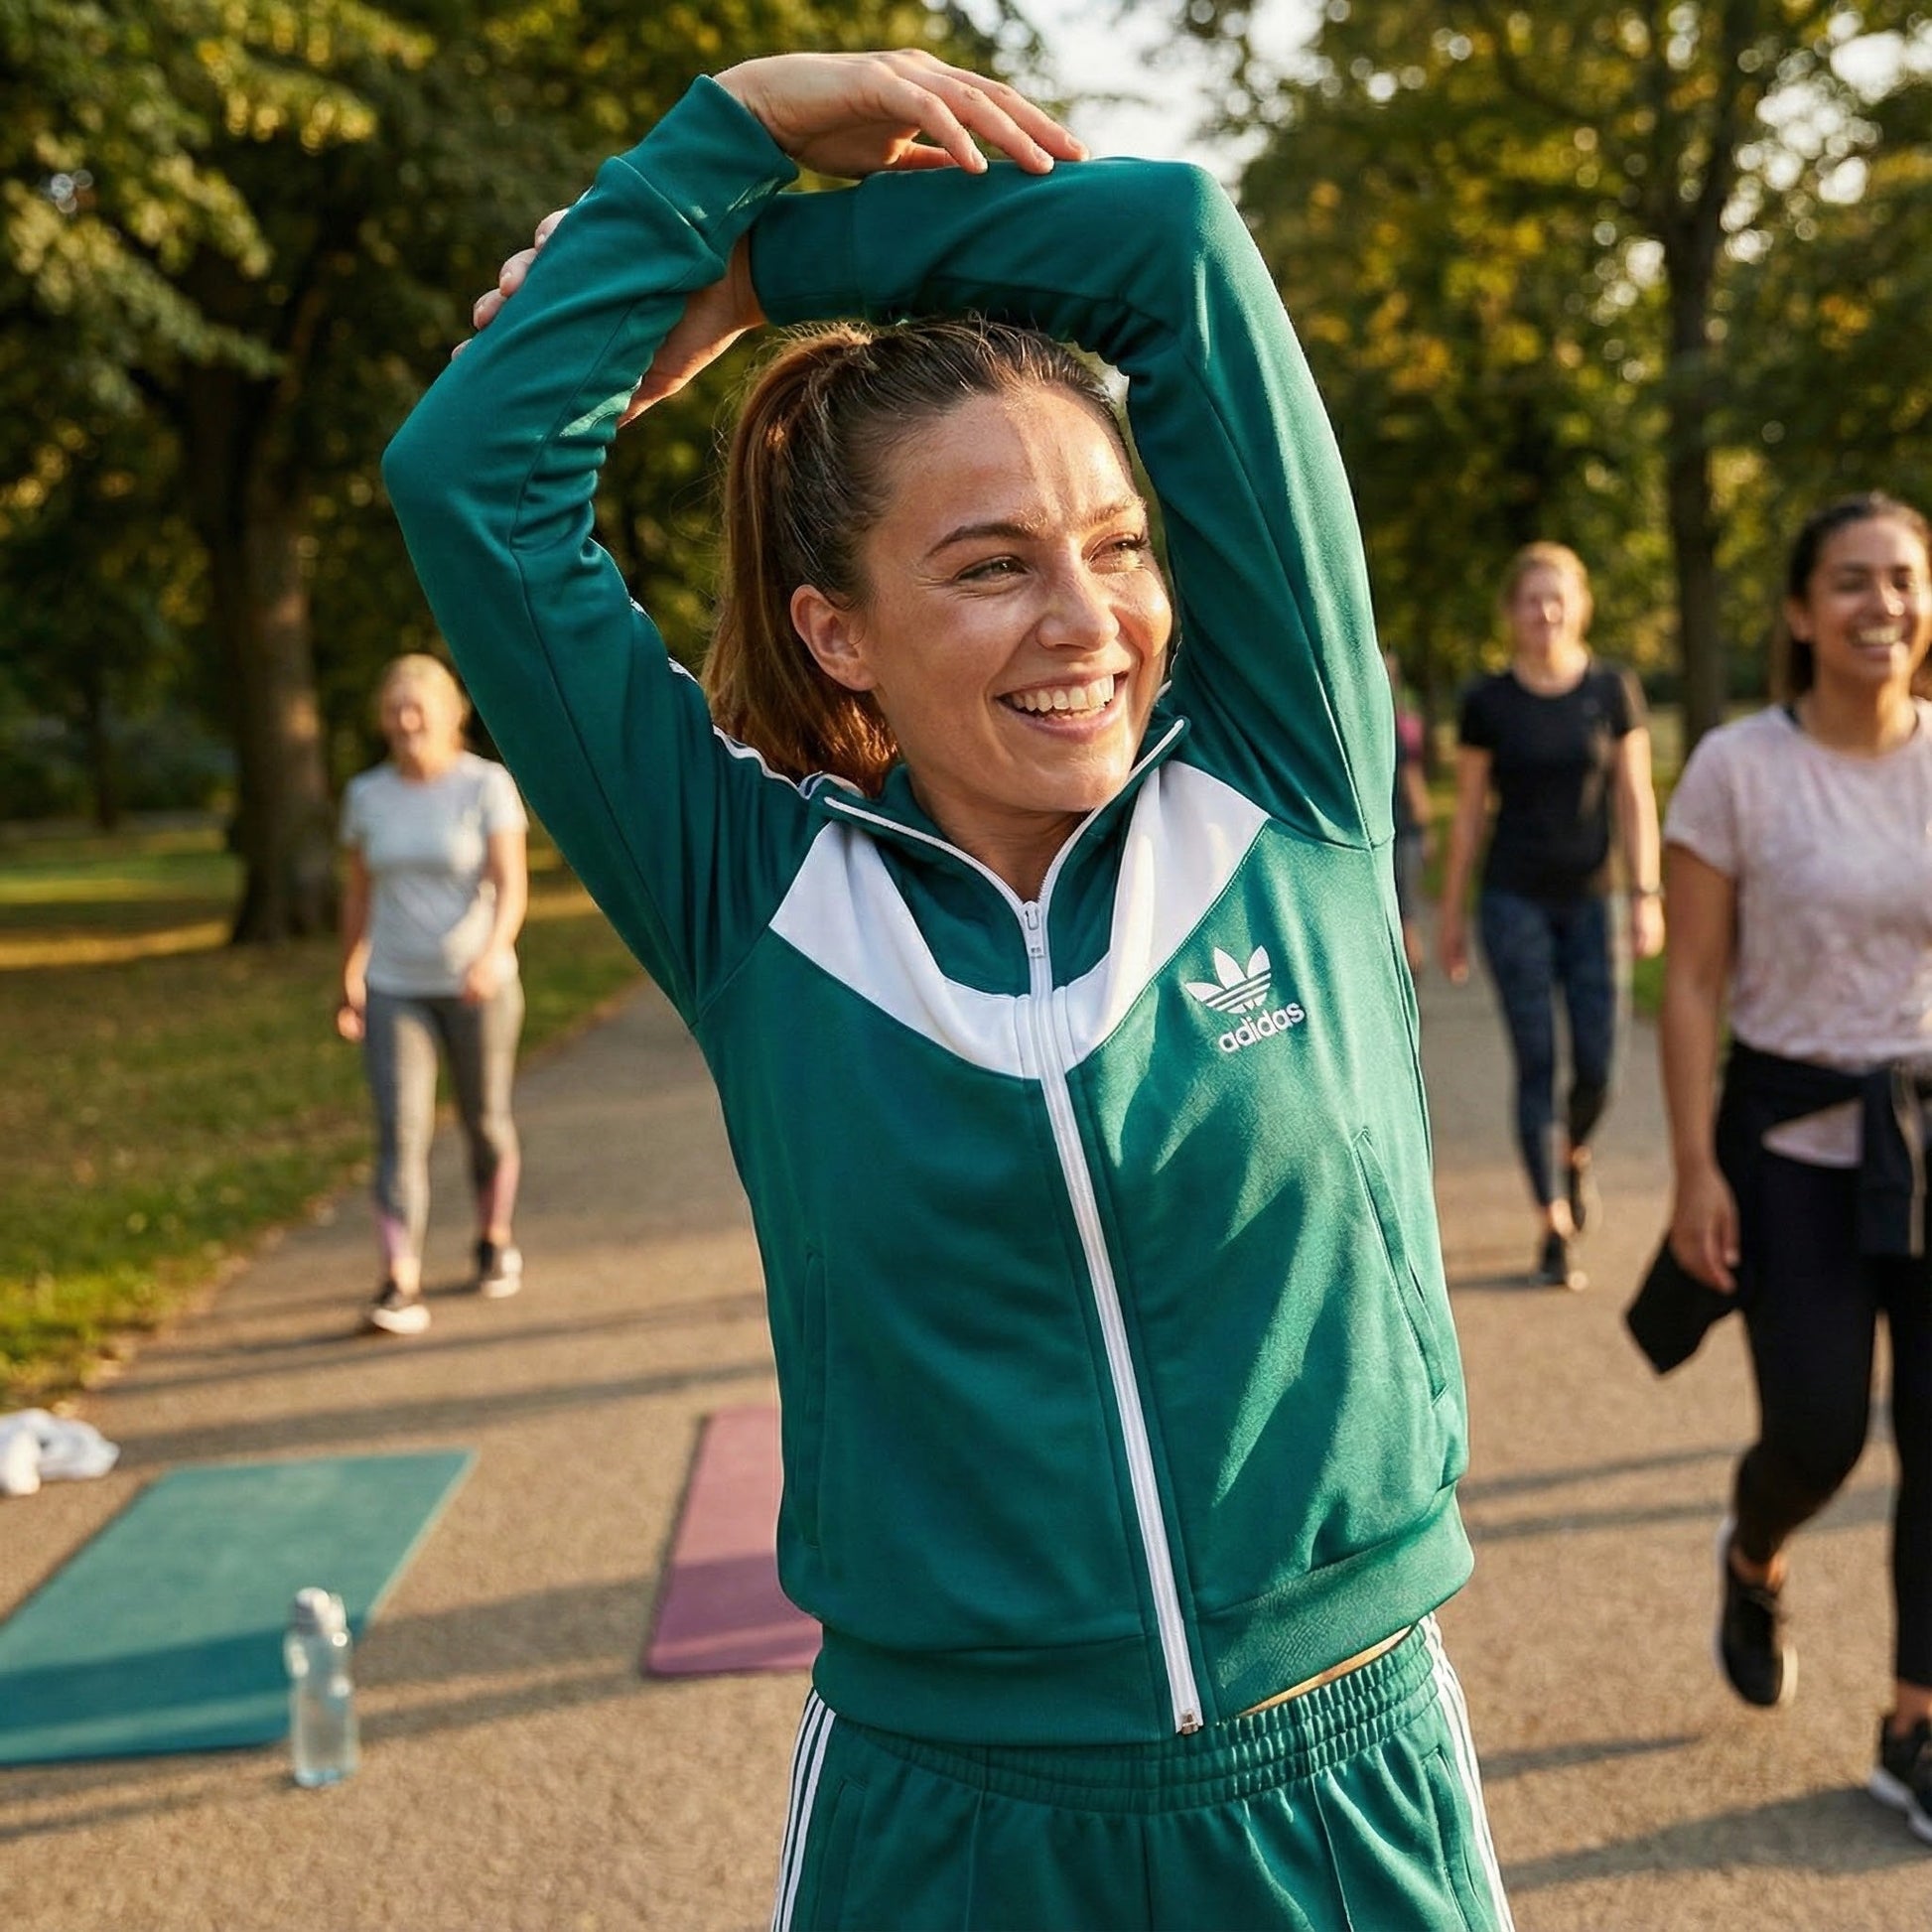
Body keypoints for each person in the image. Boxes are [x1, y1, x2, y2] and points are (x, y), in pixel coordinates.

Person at [386, 50, 1512, 1928]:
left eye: (1120, 547)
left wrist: (771, 271)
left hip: (1342, 1782)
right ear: (839, 629)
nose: (1085, 624)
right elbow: (470, 474)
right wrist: (724, 130)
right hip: (954, 1821)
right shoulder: (761, 896)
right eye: (990, 568)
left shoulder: (1283, 784)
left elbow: (1172, 240)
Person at [1659, 493, 1932, 1844]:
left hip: (1927, 1134)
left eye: (1900, 580)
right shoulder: (1735, 767)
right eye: (1849, 583)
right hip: (1787, 1146)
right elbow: (1692, 980)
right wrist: (1692, 1168)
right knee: (1816, 1432)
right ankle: (1753, 1551)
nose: (1878, 605)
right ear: (1796, 610)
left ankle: (1913, 1720)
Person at [1438, 543, 1663, 1290]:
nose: (1545, 613)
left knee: (1600, 1066)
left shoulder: (1611, 690)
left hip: (1595, 900)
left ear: (1581, 606)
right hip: (1513, 902)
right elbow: (1468, 815)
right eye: (1531, 599)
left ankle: (1575, 1152)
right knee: (1539, 1061)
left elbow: (1635, 797)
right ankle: (1553, 1225)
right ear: (1512, 612)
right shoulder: (1487, 702)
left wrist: (1646, 894)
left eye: (1558, 598)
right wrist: (1450, 915)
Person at [337, 653, 529, 1335]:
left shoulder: (487, 787)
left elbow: (511, 884)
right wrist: (350, 974)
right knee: (400, 1132)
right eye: (394, 708)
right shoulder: (367, 796)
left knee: (485, 1120)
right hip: (395, 986)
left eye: (418, 707)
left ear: (452, 715)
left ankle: (493, 1239)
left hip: (478, 986)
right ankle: (398, 1281)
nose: (405, 720)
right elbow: (359, 894)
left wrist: (493, 951)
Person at [1388, 650, 1434, 975]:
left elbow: (1410, 777)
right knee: (1402, 912)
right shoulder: (1385, 722)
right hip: (1392, 833)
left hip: (1400, 831)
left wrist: (1425, 828)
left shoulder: (1394, 723)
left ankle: (1409, 974)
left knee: (1404, 912)